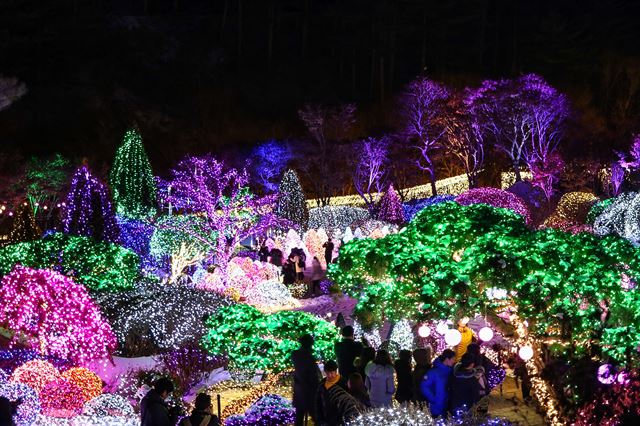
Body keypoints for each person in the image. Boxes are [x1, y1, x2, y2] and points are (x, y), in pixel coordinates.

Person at [292, 334, 321, 426]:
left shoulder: (295, 355)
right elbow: (313, 377)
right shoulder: (309, 358)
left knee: (299, 417)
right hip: (309, 392)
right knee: (317, 418)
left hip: (299, 390)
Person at [420, 349, 456, 418]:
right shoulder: (433, 372)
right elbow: (424, 386)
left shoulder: (450, 371)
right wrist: (434, 399)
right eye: (453, 359)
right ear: (447, 359)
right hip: (436, 407)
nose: (454, 361)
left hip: (447, 405)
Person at [315, 360, 349, 426]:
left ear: (336, 371)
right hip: (327, 419)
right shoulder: (322, 384)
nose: (330, 375)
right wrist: (319, 419)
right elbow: (318, 402)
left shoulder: (343, 383)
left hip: (340, 419)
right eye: (327, 373)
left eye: (332, 372)